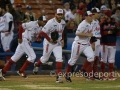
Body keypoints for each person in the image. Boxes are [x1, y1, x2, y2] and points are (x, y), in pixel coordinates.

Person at [0, 16, 46, 80]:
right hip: (24, 40)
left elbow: (36, 37)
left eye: (45, 22)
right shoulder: (32, 23)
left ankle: (3, 71)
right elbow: (21, 26)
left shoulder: (41, 27)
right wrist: (20, 38)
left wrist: (38, 39)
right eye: (43, 21)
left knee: (15, 57)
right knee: (32, 56)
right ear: (39, 20)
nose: (44, 23)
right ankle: (21, 70)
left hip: (28, 41)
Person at [33, 8, 66, 83]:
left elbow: (62, 32)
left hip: (57, 43)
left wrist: (62, 39)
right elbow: (43, 32)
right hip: (49, 43)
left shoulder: (63, 22)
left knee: (59, 58)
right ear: (55, 14)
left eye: (61, 14)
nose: (60, 16)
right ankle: (37, 64)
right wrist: (49, 39)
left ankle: (58, 77)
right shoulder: (50, 22)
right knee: (45, 59)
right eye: (58, 14)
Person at [65, 11, 94, 82]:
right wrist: (87, 35)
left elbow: (89, 34)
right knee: (72, 61)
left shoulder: (91, 23)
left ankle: (82, 69)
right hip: (78, 44)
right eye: (90, 16)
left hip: (86, 44)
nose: (91, 17)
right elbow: (77, 33)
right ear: (86, 17)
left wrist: (92, 39)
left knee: (91, 57)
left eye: (91, 15)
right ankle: (67, 74)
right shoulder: (83, 24)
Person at [81, 8, 101, 79]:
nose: (99, 14)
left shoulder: (97, 21)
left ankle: (94, 75)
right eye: (98, 13)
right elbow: (89, 32)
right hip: (93, 40)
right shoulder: (90, 22)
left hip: (98, 40)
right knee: (91, 58)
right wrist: (91, 42)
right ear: (94, 13)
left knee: (96, 59)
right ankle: (89, 74)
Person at [100, 10, 119, 80]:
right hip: (104, 43)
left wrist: (117, 31)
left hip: (112, 43)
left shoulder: (115, 23)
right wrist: (108, 32)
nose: (104, 16)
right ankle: (102, 75)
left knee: (111, 59)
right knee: (103, 59)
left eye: (105, 15)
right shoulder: (102, 23)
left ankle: (111, 75)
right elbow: (100, 33)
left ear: (109, 15)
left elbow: (118, 33)